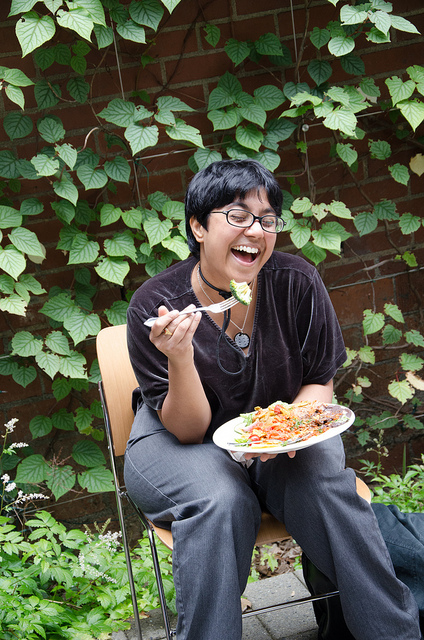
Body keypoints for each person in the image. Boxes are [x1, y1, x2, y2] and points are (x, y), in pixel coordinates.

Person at [124, 159, 422, 640]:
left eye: (266, 219)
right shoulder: (157, 302)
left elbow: (318, 379)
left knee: (321, 479)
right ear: (199, 226)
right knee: (222, 499)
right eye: (237, 216)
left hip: (276, 428)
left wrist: (292, 426)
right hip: (177, 443)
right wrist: (179, 357)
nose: (255, 230)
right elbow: (187, 429)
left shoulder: (296, 281)